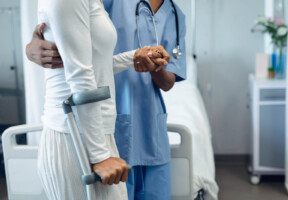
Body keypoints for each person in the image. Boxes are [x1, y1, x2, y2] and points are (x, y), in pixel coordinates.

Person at [26, 0, 187, 199]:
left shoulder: (174, 14)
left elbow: (96, 59)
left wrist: (143, 58)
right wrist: (31, 48)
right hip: (91, 127)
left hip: (137, 128)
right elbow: (78, 68)